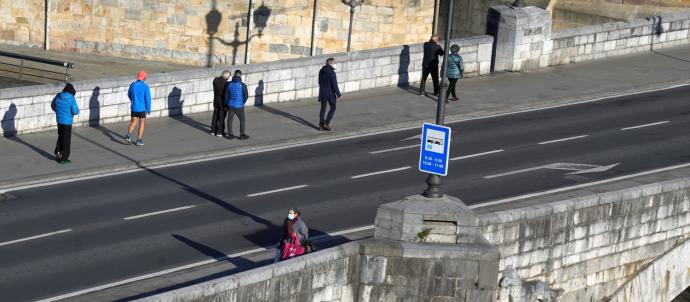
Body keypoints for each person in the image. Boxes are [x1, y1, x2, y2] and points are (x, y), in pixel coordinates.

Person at [51, 83, 79, 164]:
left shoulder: (58, 95)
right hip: (67, 122)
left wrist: (58, 112)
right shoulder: (71, 98)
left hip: (59, 120)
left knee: (60, 136)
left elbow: (53, 106)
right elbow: (75, 111)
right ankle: (64, 158)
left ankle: (58, 152)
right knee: (66, 140)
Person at [125, 70, 152, 146]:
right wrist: (148, 109)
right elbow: (148, 99)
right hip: (142, 109)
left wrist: (132, 100)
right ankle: (138, 140)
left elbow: (129, 94)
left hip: (134, 107)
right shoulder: (145, 87)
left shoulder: (133, 85)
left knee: (133, 122)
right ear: (144, 78)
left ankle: (128, 136)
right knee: (141, 123)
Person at [318, 57, 342, 131]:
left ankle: (321, 125)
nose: (335, 64)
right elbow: (334, 85)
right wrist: (339, 94)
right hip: (330, 94)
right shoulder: (332, 72)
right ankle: (326, 123)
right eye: (334, 63)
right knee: (333, 107)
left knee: (323, 109)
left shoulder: (321, 71)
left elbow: (319, 82)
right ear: (331, 63)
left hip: (322, 93)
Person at [225, 70, 249, 140]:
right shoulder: (242, 85)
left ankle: (230, 135)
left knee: (230, 120)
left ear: (234, 75)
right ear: (240, 76)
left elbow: (226, 96)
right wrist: (242, 102)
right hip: (239, 106)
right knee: (242, 120)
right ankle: (242, 135)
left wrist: (226, 105)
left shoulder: (229, 84)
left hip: (230, 105)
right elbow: (246, 96)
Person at [211, 70, 231, 137]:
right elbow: (226, 94)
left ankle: (213, 130)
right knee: (221, 117)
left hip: (216, 100)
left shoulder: (215, 80)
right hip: (222, 101)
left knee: (215, 115)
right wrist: (226, 104)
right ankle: (220, 132)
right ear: (226, 77)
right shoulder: (226, 83)